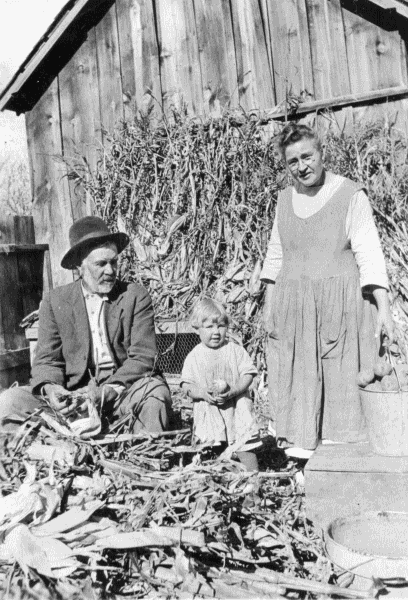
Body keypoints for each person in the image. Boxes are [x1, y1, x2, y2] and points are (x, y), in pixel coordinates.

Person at [261, 123, 394, 459]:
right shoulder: (284, 201)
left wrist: (384, 310)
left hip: (341, 309)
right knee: (299, 390)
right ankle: (304, 473)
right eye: (293, 161)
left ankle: (341, 472)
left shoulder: (350, 194)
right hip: (295, 312)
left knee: (341, 393)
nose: (302, 166)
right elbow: (275, 257)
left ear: (322, 153)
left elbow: (369, 254)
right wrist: (269, 308)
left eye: (308, 156)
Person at [0, 216, 171, 433]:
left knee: (155, 394)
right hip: (75, 399)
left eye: (114, 262)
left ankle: (144, 457)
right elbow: (46, 361)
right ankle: (58, 450)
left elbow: (144, 357)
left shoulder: (134, 296)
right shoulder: (55, 301)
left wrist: (109, 390)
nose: (110, 270)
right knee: (9, 402)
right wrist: (52, 390)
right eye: (101, 264)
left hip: (122, 392)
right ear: (79, 266)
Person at [181, 298, 260, 471]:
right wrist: (202, 393)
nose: (216, 332)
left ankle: (252, 475)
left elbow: (248, 374)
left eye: (221, 326)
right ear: (196, 329)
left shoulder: (235, 350)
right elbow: (186, 386)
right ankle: (215, 470)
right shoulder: (194, 356)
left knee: (244, 441)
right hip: (210, 408)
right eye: (209, 327)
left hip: (236, 407)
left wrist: (235, 390)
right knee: (211, 445)